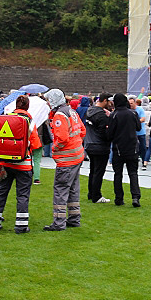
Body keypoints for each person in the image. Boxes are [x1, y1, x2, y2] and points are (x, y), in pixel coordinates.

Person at [0, 96, 41, 233]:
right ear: (27, 106)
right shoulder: (29, 121)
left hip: (3, 163)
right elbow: (35, 145)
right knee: (22, 195)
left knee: (0, 193)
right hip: (23, 164)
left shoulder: (5, 118)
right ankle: (21, 226)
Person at [43, 88, 86, 230]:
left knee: (60, 190)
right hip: (77, 156)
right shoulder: (71, 111)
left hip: (66, 159)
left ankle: (59, 222)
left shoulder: (60, 115)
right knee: (73, 188)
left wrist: (54, 148)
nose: (48, 103)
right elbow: (82, 131)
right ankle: (74, 218)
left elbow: (62, 138)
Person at [107, 93, 142, 206]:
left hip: (118, 148)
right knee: (133, 173)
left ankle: (119, 198)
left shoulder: (114, 115)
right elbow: (138, 127)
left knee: (118, 174)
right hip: (132, 147)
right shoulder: (133, 113)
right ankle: (135, 197)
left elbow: (110, 134)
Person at [83, 93, 113, 203]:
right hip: (99, 145)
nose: (111, 104)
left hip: (90, 144)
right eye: (109, 101)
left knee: (93, 170)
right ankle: (96, 195)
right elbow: (103, 133)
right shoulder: (101, 115)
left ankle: (91, 193)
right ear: (105, 100)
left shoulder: (90, 111)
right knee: (99, 171)